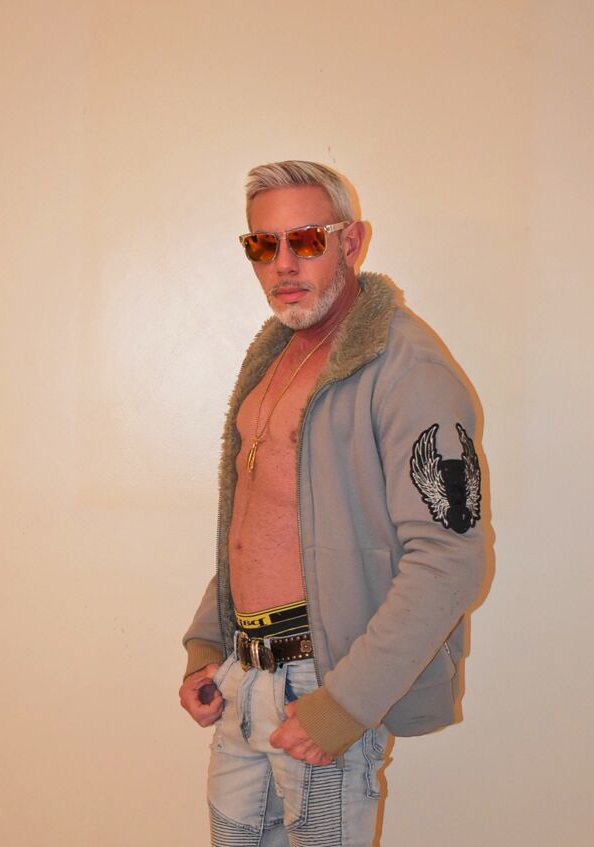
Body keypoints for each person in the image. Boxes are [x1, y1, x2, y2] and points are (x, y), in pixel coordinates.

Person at [179, 160, 486, 846]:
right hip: (243, 676)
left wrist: (343, 705)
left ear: (353, 242)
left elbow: (449, 559)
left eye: (307, 239)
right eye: (263, 244)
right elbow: (253, 519)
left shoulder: (408, 368)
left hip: (322, 682)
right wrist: (208, 642)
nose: (283, 263)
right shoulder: (273, 359)